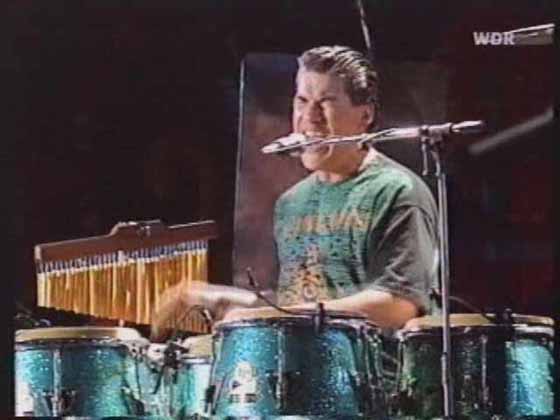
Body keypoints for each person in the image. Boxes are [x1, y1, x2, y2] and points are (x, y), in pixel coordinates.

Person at [151, 45, 438, 340]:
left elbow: (397, 306)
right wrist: (221, 300)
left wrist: (278, 317)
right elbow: (296, 303)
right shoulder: (292, 202)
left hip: (369, 367)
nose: (310, 117)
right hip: (302, 361)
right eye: (302, 101)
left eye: (326, 102)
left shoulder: (396, 191)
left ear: (365, 115)